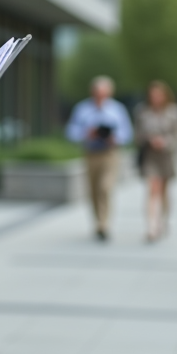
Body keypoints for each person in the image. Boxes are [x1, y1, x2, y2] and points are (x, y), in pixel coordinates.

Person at [65, 75, 132, 241]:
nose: (100, 96)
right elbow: (70, 131)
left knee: (105, 187)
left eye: (103, 93)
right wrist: (86, 133)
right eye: (97, 93)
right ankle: (97, 221)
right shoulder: (82, 109)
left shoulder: (117, 109)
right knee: (93, 190)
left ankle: (104, 224)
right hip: (91, 153)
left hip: (110, 154)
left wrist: (115, 138)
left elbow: (127, 133)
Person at [133, 81, 177, 242]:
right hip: (150, 156)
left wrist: (165, 142)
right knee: (152, 188)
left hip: (167, 156)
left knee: (163, 190)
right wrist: (149, 140)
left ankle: (163, 220)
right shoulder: (142, 112)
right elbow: (137, 135)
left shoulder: (175, 112)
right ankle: (152, 225)